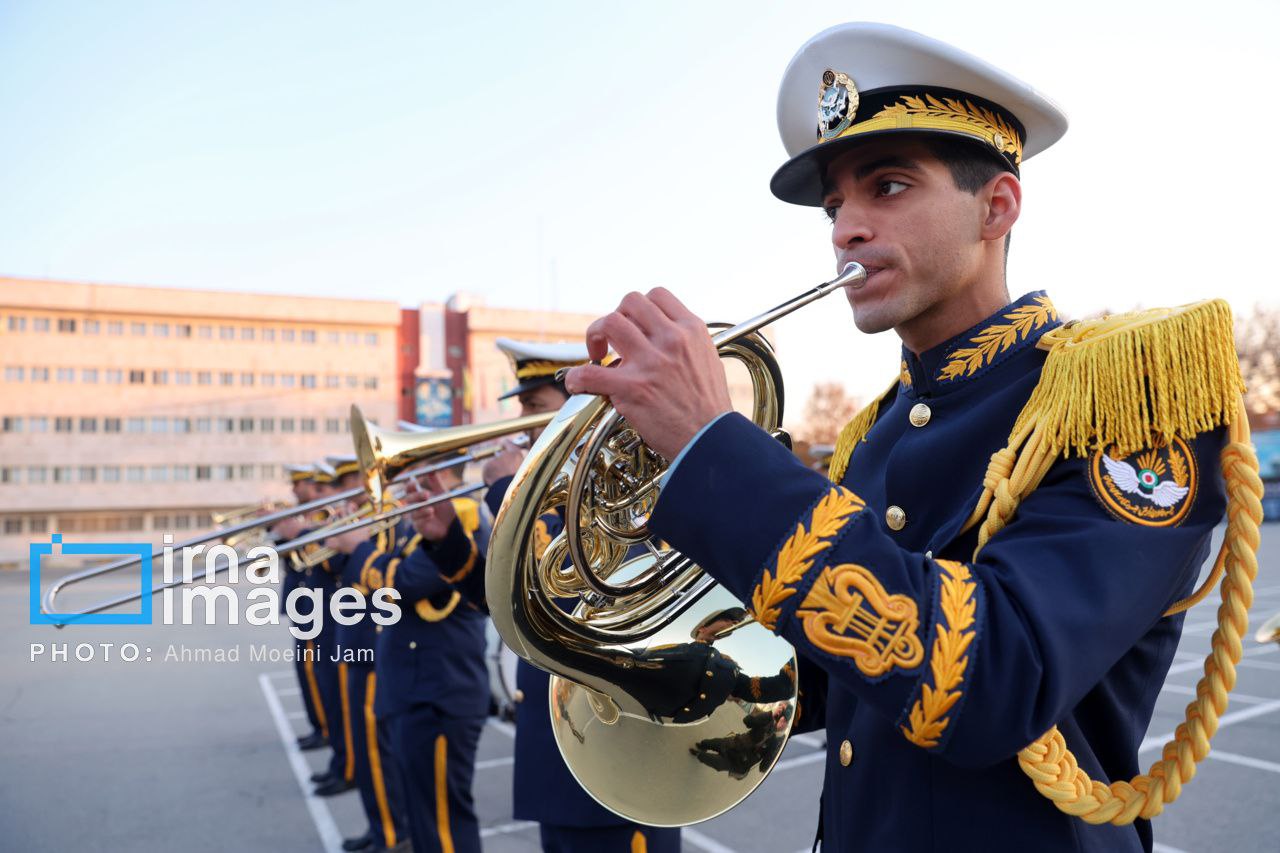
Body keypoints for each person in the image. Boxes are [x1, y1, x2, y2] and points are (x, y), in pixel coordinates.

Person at [561, 22, 1243, 853]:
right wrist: (623, 587)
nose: (845, 227)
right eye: (836, 204)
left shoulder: (1122, 397)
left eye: (886, 187)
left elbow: (993, 677)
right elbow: (822, 678)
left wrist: (714, 449)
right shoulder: (872, 435)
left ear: (997, 205)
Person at [409, 339, 682, 853]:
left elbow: (577, 604)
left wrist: (506, 491)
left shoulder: (628, 489)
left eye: (534, 408)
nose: (520, 424)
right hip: (554, 754)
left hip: (615, 760)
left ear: (578, 409)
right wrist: (445, 539)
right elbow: (509, 608)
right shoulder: (551, 493)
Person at [366, 458, 492, 853]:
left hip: (438, 692)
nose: (397, 483)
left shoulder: (464, 515)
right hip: (415, 689)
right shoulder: (416, 523)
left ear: (436, 471)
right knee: (424, 821)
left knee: (443, 826)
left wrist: (358, 553)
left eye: (404, 473)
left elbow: (402, 584)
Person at [323, 454, 410, 852]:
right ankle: (380, 827)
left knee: (377, 750)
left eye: (356, 483)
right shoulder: (368, 518)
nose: (350, 494)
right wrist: (335, 535)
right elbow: (341, 568)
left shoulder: (391, 518)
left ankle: (391, 834)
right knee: (365, 743)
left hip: (375, 648)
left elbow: (386, 577)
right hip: (355, 642)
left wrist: (356, 540)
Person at [306, 461, 359, 798]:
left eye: (338, 486)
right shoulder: (344, 519)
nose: (334, 494)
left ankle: (348, 767)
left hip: (351, 626)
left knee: (349, 711)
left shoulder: (371, 520)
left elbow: (337, 565)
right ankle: (343, 763)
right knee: (337, 703)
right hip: (332, 622)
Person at [278, 463, 326, 752]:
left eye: (300, 484)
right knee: (306, 670)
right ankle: (318, 725)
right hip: (303, 602)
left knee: (316, 670)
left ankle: (325, 729)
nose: (295, 490)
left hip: (320, 605)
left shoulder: (322, 516)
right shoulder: (303, 515)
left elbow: (320, 557)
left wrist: (298, 533)